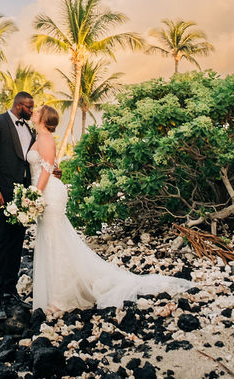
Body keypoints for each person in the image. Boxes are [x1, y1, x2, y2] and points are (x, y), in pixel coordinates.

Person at [28, 104, 194, 312]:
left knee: (55, 242)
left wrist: (35, 193)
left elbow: (46, 169)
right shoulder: (38, 137)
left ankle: (61, 298)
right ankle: (57, 291)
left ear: (44, 117)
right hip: (43, 191)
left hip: (48, 192)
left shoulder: (45, 138)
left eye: (37, 111)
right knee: (51, 239)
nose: (33, 112)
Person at [0, 91, 38, 320]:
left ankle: (11, 292)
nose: (32, 111)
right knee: (0, 241)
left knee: (16, 241)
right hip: (0, 194)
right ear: (19, 105)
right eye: (29, 108)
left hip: (22, 195)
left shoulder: (30, 130)